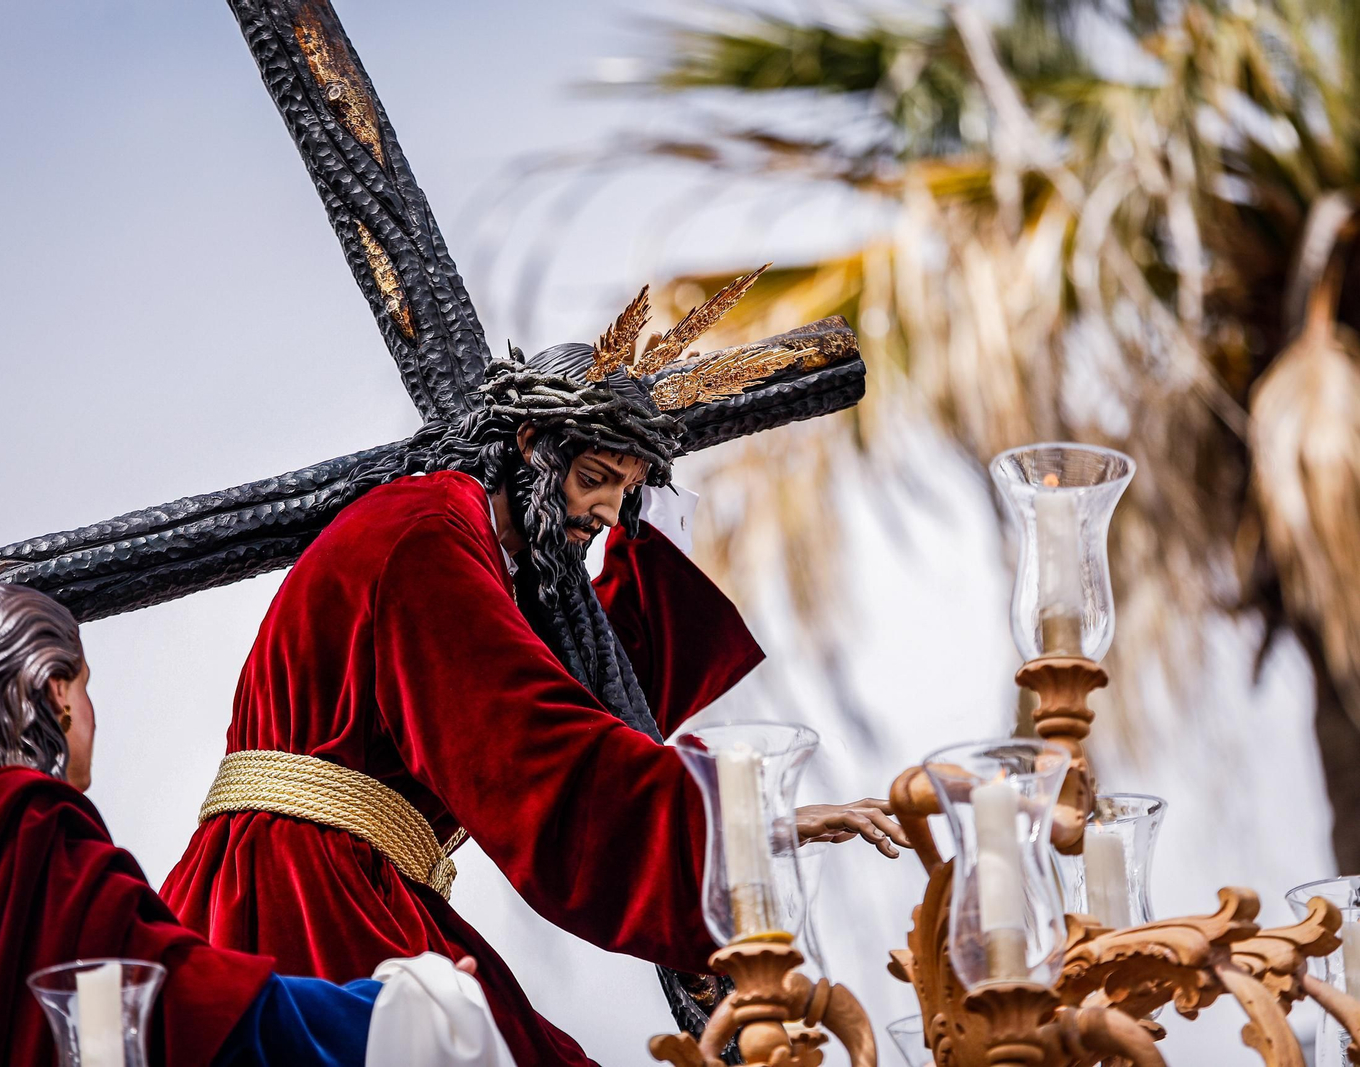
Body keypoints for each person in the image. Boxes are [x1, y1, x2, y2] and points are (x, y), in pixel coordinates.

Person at [160, 273, 910, 1066]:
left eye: (626, 493)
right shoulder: (427, 536)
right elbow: (535, 752)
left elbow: (598, 695)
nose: (606, 515)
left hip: (347, 881)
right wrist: (741, 828)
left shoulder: (494, 557)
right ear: (527, 445)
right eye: (593, 479)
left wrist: (656, 530)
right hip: (298, 897)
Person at [0, 584, 514, 1067]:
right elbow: (163, 1006)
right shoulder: (27, 822)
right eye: (85, 687)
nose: (89, 712)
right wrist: (400, 1010)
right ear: (54, 691)